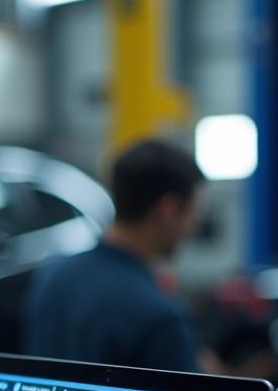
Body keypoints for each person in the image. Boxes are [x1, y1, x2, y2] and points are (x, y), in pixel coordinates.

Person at [22, 139, 205, 372]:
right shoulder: (159, 316)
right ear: (168, 209)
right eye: (193, 214)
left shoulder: (53, 274)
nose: (194, 227)